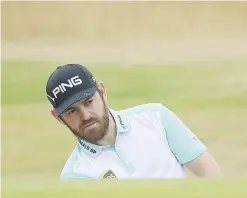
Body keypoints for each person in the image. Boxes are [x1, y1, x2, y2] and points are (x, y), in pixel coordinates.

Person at [45, 64, 221, 179]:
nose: (85, 116)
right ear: (58, 117)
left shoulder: (156, 117)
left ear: (103, 93)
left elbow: (207, 170)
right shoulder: (75, 175)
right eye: (72, 111)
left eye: (89, 102)